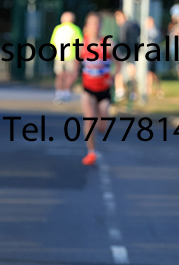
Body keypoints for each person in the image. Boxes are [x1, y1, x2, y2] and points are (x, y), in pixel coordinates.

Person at [80, 12, 120, 166]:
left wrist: (113, 76)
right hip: (88, 89)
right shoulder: (82, 44)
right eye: (92, 23)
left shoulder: (109, 44)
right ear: (87, 26)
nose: (95, 26)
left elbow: (119, 64)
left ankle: (101, 123)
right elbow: (76, 63)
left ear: (101, 26)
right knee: (89, 119)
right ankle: (91, 152)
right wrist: (71, 77)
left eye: (97, 23)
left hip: (104, 90)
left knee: (102, 126)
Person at [50, 12, 83, 104]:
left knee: (60, 75)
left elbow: (52, 42)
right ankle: (66, 93)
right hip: (70, 55)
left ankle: (59, 93)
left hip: (59, 55)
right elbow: (80, 44)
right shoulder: (75, 29)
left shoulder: (58, 28)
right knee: (68, 75)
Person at [114, 10, 140, 102]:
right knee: (132, 71)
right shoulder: (135, 25)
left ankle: (120, 91)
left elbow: (122, 38)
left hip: (123, 51)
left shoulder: (124, 26)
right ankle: (133, 92)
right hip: (132, 51)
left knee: (119, 70)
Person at [145, 16, 163, 98]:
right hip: (147, 54)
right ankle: (150, 88)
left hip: (152, 54)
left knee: (151, 72)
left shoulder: (154, 30)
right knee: (149, 72)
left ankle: (155, 88)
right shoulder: (147, 30)